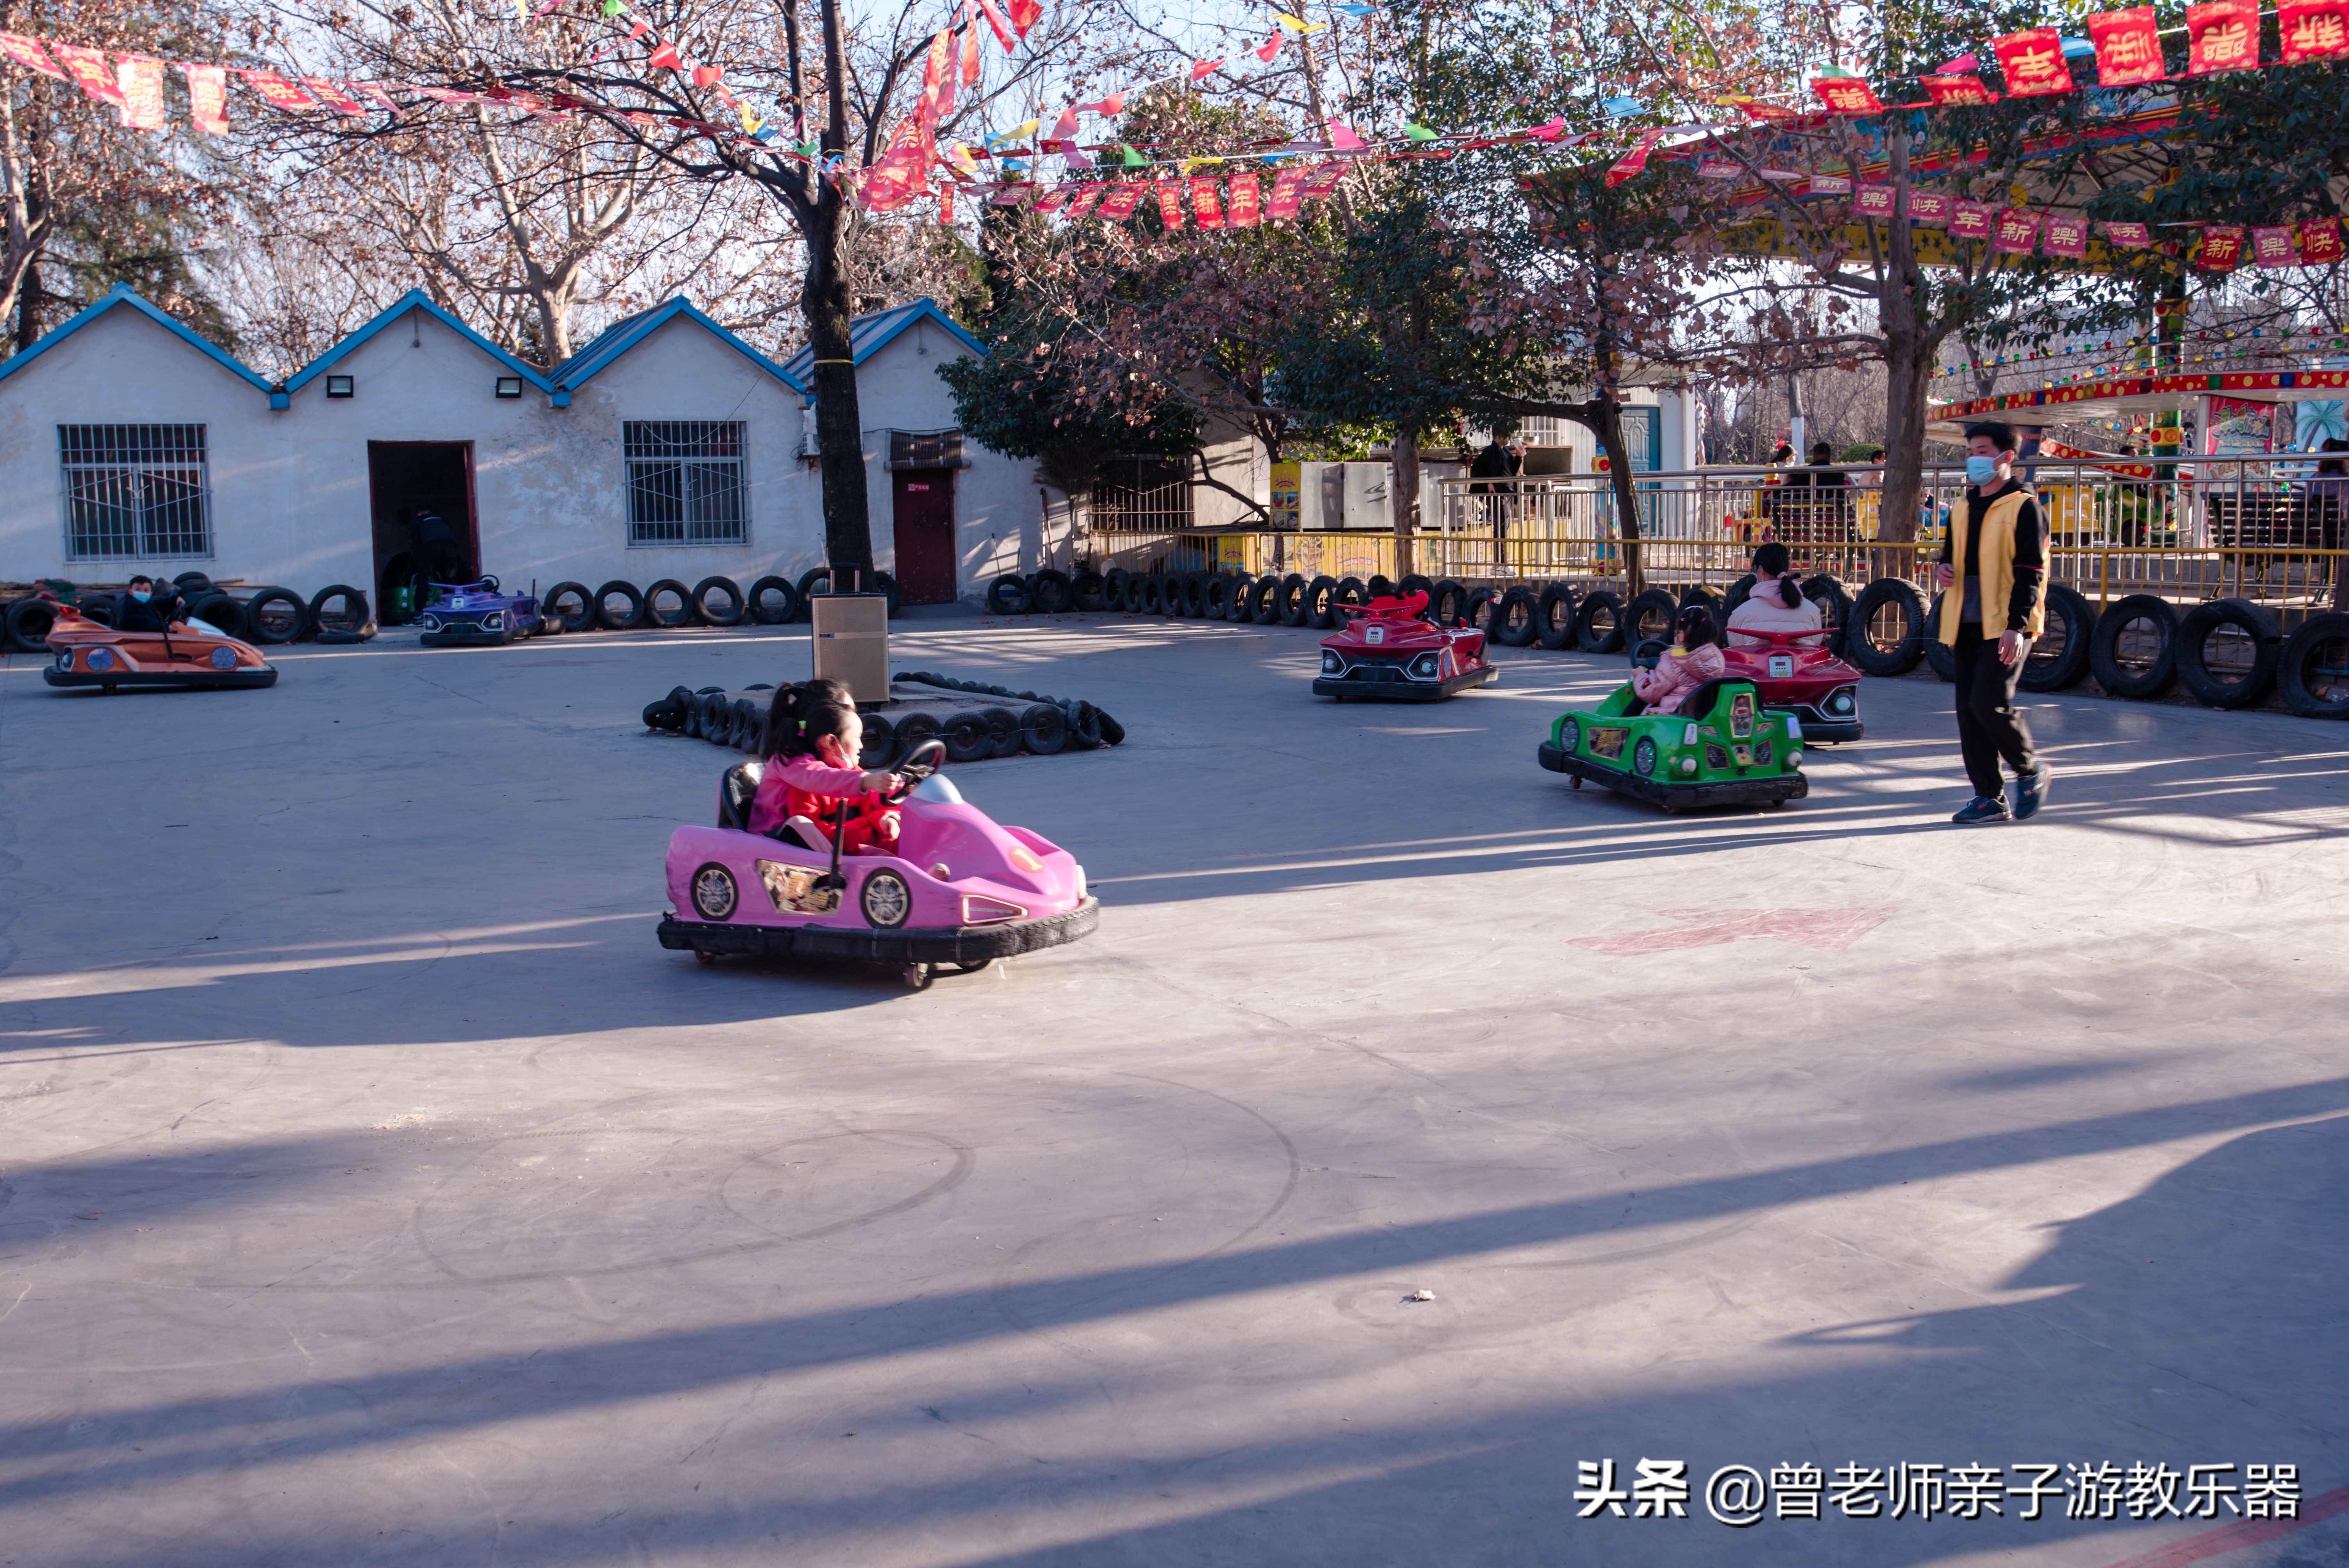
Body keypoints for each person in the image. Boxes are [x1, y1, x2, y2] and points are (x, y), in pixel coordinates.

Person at [1934, 420, 2051, 825]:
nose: (1974, 458)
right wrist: (1943, 569)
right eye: (1970, 451)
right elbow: (1948, 556)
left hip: (2005, 624)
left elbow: (2030, 571)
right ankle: (1988, 797)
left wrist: (2016, 626)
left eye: (1982, 450)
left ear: (2007, 457)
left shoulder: (2023, 507)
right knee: (1968, 711)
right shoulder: (1963, 505)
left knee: (1989, 702)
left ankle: (2029, 769)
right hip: (1964, 621)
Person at [747, 682, 903, 852]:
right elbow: (821, 778)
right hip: (775, 837)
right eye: (845, 710)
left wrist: (897, 789)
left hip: (808, 833)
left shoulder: (831, 758)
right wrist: (865, 781)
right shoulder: (790, 757)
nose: (851, 715)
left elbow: (867, 794)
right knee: (802, 824)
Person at [1632, 605, 1727, 715]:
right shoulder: (1717, 659)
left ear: (1681, 635)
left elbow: (1650, 693)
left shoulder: (1672, 661)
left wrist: (1640, 676)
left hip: (1672, 715)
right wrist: (1680, 651)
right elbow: (1695, 655)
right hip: (1702, 716)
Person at [1725, 542, 1824, 645]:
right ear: (1788, 566)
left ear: (1761, 570)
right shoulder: (1813, 612)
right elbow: (1815, 646)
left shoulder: (1739, 614)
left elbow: (1737, 650)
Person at [115, 575, 187, 634]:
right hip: (137, 641)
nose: (142, 593)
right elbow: (145, 623)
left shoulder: (147, 602)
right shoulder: (130, 607)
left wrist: (174, 600)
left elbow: (159, 602)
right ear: (130, 592)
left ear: (151, 594)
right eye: (138, 590)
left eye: (146, 590)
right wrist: (165, 627)